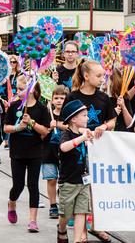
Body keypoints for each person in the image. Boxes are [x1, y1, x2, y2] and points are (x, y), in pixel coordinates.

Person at [63, 60, 115, 242]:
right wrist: (80, 133)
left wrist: (103, 126)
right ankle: (79, 230)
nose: (102, 79)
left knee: (96, 189)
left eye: (103, 75)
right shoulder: (73, 97)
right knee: (80, 189)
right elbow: (63, 122)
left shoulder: (103, 98)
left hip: (99, 149)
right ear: (86, 76)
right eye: (98, 75)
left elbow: (112, 121)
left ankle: (97, 226)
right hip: (78, 151)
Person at [3, 75, 51, 233]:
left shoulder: (42, 109)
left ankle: (32, 220)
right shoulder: (14, 106)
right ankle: (12, 202)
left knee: (33, 185)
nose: (17, 91)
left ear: (31, 90)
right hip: (17, 152)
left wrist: (31, 123)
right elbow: (6, 128)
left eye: (21, 89)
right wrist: (18, 128)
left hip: (35, 152)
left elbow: (44, 132)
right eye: (17, 88)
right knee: (17, 185)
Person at [57, 99, 97, 243]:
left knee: (82, 211)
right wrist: (82, 138)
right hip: (68, 182)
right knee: (65, 215)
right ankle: (61, 229)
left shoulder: (84, 134)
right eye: (84, 115)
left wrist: (89, 140)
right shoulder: (66, 134)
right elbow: (64, 147)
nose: (88, 118)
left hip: (83, 181)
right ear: (74, 119)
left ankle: (77, 240)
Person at [43, 85, 68, 219]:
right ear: (51, 100)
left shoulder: (68, 114)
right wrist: (48, 127)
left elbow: (70, 127)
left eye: (62, 98)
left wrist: (57, 124)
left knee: (64, 181)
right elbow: (43, 129)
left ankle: (65, 205)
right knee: (51, 179)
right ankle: (53, 205)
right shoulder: (48, 113)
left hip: (65, 151)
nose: (59, 101)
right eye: (56, 98)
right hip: (48, 150)